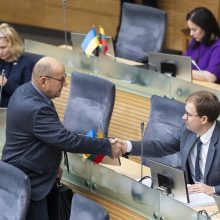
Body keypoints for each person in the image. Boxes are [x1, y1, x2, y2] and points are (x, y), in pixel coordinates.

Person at [1, 56, 122, 220]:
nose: (65, 84)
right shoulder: (35, 107)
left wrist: (53, 165)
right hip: (32, 185)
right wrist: (106, 145)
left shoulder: (25, 91)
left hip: (40, 176)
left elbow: (44, 137)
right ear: (44, 81)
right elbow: (66, 140)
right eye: (61, 79)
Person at [113, 91, 220, 196]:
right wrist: (126, 146)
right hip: (190, 194)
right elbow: (160, 147)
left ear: (204, 119)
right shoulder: (187, 132)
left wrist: (214, 189)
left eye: (188, 114)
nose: (183, 118)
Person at [0, 23, 42, 107]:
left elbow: (27, 95)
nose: (0, 52)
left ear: (13, 45)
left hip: (14, 109)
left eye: (3, 47)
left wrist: (6, 83)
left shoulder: (26, 63)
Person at [184, 7, 220, 83]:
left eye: (194, 30)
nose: (191, 34)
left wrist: (181, 71)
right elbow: (183, 63)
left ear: (206, 28)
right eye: (190, 29)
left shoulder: (218, 47)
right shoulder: (196, 41)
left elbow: (211, 77)